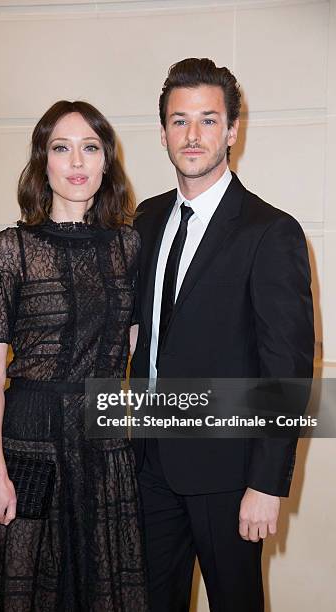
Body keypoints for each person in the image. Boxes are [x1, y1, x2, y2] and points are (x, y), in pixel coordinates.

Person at [130, 58, 314, 611]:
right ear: (163, 131)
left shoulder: (271, 232)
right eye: (179, 120)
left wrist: (267, 483)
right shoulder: (145, 219)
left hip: (230, 475)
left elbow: (286, 368)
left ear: (232, 130)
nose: (192, 135)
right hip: (148, 463)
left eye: (208, 120)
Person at [0, 100, 149, 611]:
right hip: (30, 438)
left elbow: (133, 346)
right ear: (42, 163)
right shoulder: (11, 249)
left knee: (102, 588)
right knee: (24, 590)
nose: (76, 162)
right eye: (61, 148)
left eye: (90, 148)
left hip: (103, 440)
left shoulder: (128, 247)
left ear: (106, 162)